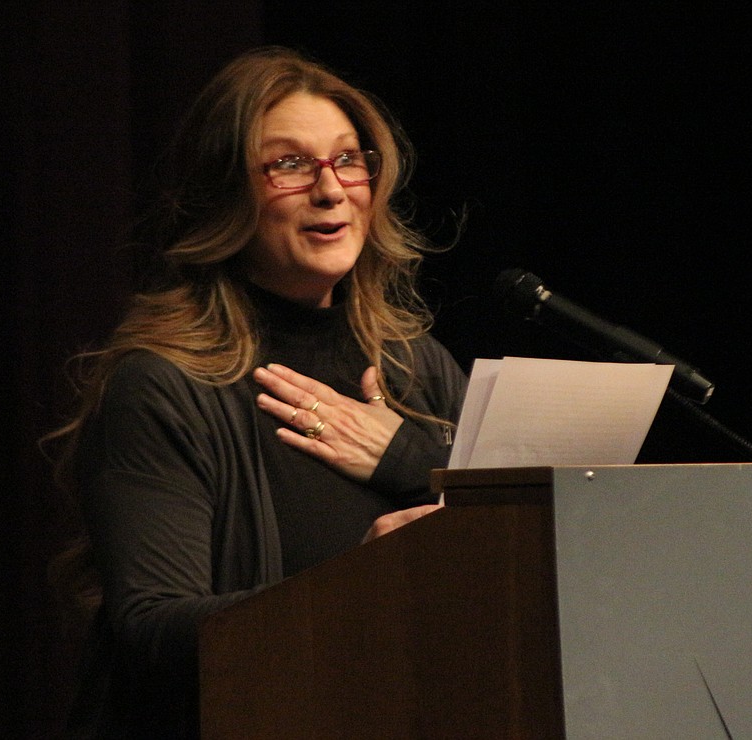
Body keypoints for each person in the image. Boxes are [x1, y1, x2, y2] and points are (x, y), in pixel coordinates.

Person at [47, 46, 467, 738]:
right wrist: (357, 590)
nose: (331, 190)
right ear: (226, 193)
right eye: (290, 165)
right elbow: (151, 630)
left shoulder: (418, 369)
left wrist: (407, 460)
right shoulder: (165, 383)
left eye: (348, 159)